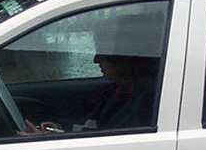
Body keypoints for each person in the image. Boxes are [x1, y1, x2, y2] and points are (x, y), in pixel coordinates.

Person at [24, 53, 159, 135]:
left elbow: (104, 143)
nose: (95, 59)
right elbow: (95, 126)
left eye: (105, 52)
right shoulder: (119, 91)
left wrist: (49, 141)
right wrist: (60, 130)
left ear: (125, 57)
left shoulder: (139, 104)